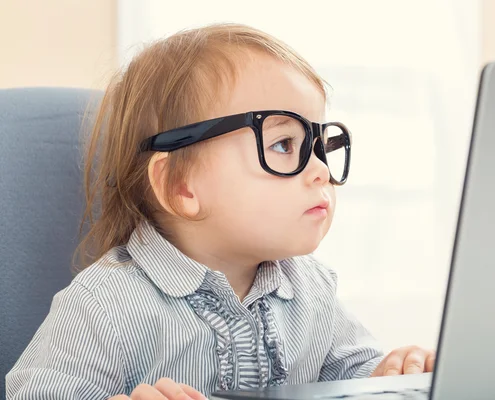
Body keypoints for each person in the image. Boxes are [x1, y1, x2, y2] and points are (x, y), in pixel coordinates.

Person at [6, 23, 435, 400]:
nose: (321, 170)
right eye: (284, 145)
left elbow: (352, 376)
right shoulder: (106, 306)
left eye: (321, 145)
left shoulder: (311, 289)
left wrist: (392, 375)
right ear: (181, 186)